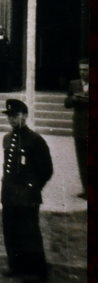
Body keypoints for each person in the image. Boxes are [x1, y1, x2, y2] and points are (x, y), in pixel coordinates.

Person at [1, 99, 53, 283]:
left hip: (27, 194)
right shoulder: (7, 138)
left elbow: (46, 170)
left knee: (29, 231)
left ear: (25, 115)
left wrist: (33, 187)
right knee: (11, 230)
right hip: (8, 193)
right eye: (9, 116)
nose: (12, 120)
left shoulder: (35, 140)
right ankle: (16, 265)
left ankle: (36, 271)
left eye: (15, 116)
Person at [64, 59, 89, 200]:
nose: (83, 72)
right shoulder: (74, 84)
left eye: (85, 70)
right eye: (81, 70)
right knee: (82, 160)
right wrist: (73, 98)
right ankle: (85, 188)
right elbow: (66, 103)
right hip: (79, 128)